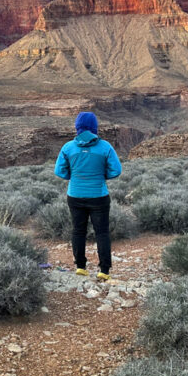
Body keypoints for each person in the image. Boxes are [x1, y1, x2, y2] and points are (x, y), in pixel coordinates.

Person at [54, 111, 122, 281]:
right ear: (94, 127)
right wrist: (101, 175)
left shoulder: (68, 147)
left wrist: (74, 176)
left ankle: (81, 267)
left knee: (78, 231)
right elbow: (116, 170)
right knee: (102, 233)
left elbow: (59, 171)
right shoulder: (105, 146)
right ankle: (104, 271)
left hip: (75, 195)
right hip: (99, 196)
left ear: (77, 127)